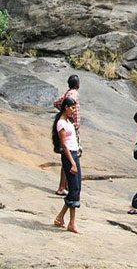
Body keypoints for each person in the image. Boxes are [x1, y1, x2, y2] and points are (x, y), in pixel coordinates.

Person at [52, 96, 82, 234]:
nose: (73, 110)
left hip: (75, 154)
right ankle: (72, 222)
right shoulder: (61, 123)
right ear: (66, 107)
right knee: (74, 188)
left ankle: (60, 217)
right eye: (72, 108)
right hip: (69, 156)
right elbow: (64, 145)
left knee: (76, 188)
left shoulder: (69, 121)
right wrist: (72, 163)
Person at [53, 75, 80, 196]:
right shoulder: (73, 94)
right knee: (69, 157)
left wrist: (63, 114)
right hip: (71, 128)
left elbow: (57, 103)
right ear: (78, 84)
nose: (73, 109)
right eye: (71, 108)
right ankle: (63, 186)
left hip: (70, 126)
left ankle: (65, 185)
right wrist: (69, 119)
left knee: (68, 158)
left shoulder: (67, 93)